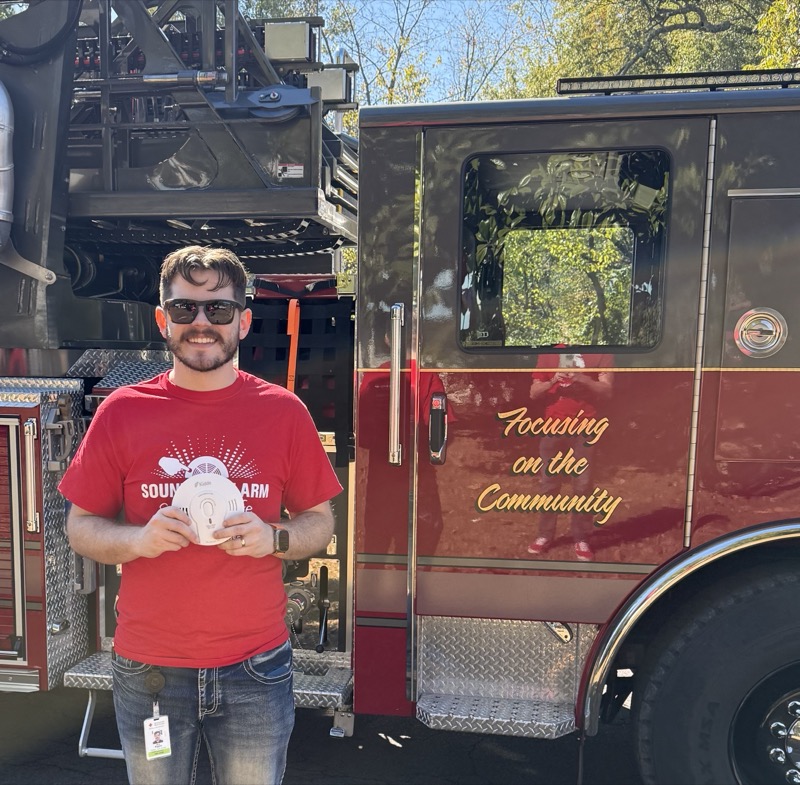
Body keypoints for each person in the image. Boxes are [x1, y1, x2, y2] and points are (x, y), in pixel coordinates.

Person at [59, 246, 342, 785]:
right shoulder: (123, 412)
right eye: (185, 310)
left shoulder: (283, 413)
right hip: (150, 674)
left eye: (219, 310)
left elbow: (319, 522)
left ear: (244, 320)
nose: (202, 324)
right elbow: (80, 527)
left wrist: (273, 538)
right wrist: (139, 540)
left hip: (256, 668)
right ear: (163, 320)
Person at [526, 351, 612, 562]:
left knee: (582, 484)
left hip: (585, 428)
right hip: (552, 428)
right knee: (549, 484)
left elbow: (607, 390)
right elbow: (533, 392)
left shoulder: (601, 351)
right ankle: (545, 535)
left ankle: (581, 538)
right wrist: (553, 380)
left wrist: (581, 377)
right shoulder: (550, 353)